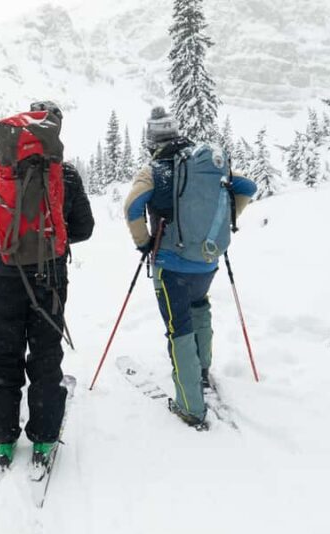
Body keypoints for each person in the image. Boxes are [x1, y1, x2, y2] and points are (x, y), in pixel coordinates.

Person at [0, 101, 94, 471]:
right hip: (50, 275)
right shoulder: (64, 173)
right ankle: (45, 437)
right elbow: (84, 228)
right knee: (46, 355)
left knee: (3, 353)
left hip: (1, 275)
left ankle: (3, 439)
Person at [123, 107, 256, 429]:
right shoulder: (207, 167)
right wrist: (225, 224)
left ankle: (190, 406)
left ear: (150, 139)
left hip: (171, 264)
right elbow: (248, 187)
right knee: (200, 308)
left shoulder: (154, 170)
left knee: (178, 327)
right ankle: (201, 373)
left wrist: (144, 242)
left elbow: (132, 207)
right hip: (208, 260)